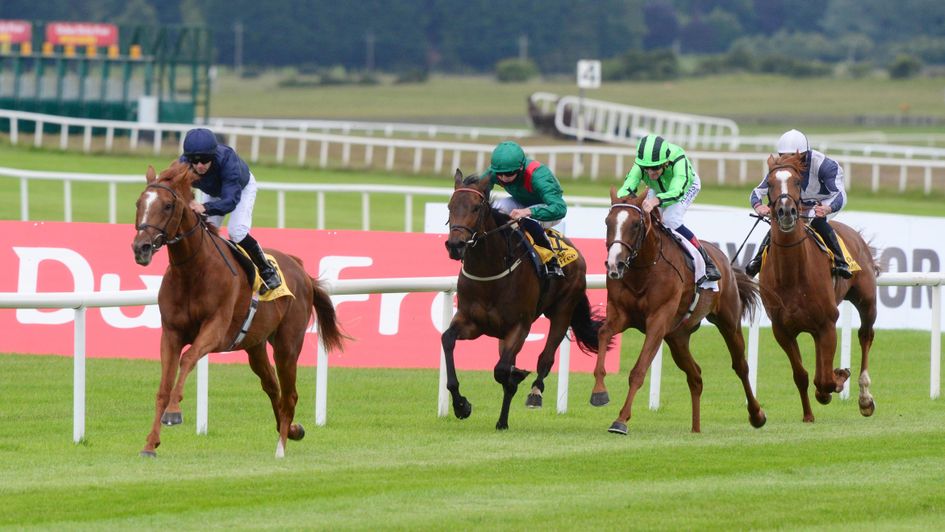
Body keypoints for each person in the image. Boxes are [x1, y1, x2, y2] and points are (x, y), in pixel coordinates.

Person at [180, 127, 283, 293]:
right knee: (205, 232)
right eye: (195, 161)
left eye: (205, 160)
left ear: (213, 155)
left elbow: (230, 201)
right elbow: (176, 186)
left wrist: (204, 207)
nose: (199, 166)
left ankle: (267, 270)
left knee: (237, 232)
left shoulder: (228, 161)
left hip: (239, 189)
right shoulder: (183, 164)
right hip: (213, 192)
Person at [746, 129, 852, 279]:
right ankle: (758, 260)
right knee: (781, 223)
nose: (788, 161)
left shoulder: (825, 165)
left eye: (795, 156)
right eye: (783, 156)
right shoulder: (781, 167)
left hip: (824, 202)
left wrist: (828, 208)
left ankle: (840, 261)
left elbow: (840, 194)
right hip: (797, 202)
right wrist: (758, 206)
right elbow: (758, 191)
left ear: (804, 154)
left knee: (817, 221)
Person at [617, 134, 721, 282]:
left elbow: (676, 192)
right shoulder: (642, 164)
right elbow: (625, 189)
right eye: (647, 168)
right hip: (658, 188)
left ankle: (706, 260)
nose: (651, 172)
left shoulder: (678, 159)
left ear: (665, 163)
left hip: (685, 187)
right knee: (646, 218)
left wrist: (655, 201)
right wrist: (623, 201)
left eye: (655, 168)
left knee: (671, 219)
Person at [485, 140, 567, 279]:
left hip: (548, 208)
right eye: (500, 174)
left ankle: (552, 261)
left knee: (523, 219)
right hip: (521, 202)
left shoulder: (539, 175)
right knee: (494, 210)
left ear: (521, 168)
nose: (504, 178)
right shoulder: (496, 171)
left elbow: (560, 208)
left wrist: (528, 212)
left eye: (509, 174)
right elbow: (478, 189)